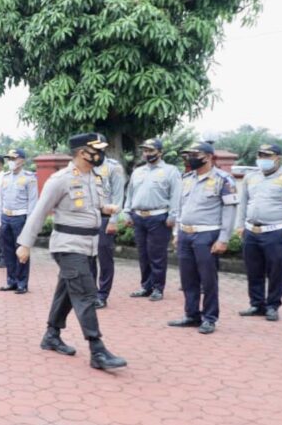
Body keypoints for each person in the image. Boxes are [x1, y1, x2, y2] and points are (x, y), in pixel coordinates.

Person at [16, 133, 127, 370]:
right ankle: (97, 350)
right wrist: (25, 244)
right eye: (95, 150)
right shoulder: (60, 179)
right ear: (80, 152)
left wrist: (105, 209)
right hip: (67, 245)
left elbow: (91, 207)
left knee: (66, 290)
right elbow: (39, 211)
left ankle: (51, 335)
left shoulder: (93, 178)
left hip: (89, 245)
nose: (100, 154)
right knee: (86, 293)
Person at [168, 142, 239, 335]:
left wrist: (223, 238)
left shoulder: (223, 180)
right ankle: (191, 315)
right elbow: (180, 207)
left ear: (207, 156)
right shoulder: (187, 178)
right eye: (188, 154)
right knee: (188, 278)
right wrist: (176, 232)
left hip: (207, 234)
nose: (189, 157)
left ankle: (209, 318)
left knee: (208, 280)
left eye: (194, 154)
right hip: (185, 234)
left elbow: (229, 211)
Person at [236, 144, 282, 322]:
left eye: (267, 155)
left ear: (278, 158)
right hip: (251, 230)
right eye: (260, 155)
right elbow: (243, 202)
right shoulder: (250, 177)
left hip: (276, 230)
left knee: (276, 270)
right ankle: (256, 304)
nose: (263, 158)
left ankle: (273, 305)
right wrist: (239, 224)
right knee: (253, 270)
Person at [123, 138, 182, 302]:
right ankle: (146, 286)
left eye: (150, 151)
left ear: (160, 152)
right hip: (139, 217)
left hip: (159, 217)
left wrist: (173, 216)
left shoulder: (171, 171)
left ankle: (158, 288)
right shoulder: (138, 171)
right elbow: (130, 194)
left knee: (157, 255)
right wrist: (127, 212)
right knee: (143, 254)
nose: (147, 154)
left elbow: (176, 195)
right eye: (145, 151)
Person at [90, 138, 126, 308]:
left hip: (105, 220)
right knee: (88, 258)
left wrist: (113, 221)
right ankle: (91, 292)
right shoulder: (85, 166)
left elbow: (118, 197)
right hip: (88, 219)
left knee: (104, 259)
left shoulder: (113, 167)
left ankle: (102, 295)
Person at [0, 149, 38, 294]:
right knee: (7, 251)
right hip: (5, 218)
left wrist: (29, 224)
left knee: (21, 251)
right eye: (9, 158)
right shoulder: (5, 177)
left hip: (20, 218)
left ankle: (22, 283)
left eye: (14, 158)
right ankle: (11, 281)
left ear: (22, 160)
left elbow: (33, 202)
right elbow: (1, 200)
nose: (11, 161)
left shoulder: (29, 177)